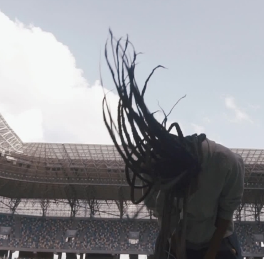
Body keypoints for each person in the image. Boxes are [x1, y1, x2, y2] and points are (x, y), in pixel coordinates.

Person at [102, 33, 245, 259]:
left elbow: (225, 213)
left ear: (197, 172)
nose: (183, 196)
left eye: (185, 190)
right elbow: (167, 220)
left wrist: (209, 255)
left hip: (219, 238)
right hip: (177, 236)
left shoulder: (227, 164)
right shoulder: (152, 177)